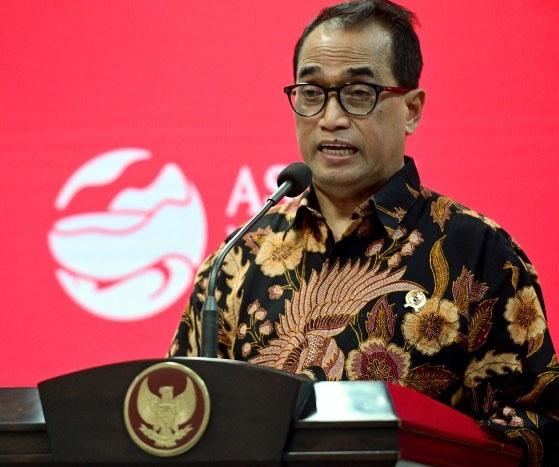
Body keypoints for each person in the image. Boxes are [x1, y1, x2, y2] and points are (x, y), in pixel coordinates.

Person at [169, 0, 558, 464]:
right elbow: (184, 418)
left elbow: (535, 429)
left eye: (358, 93)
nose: (330, 117)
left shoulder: (477, 252)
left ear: (411, 110)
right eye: (311, 92)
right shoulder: (239, 257)